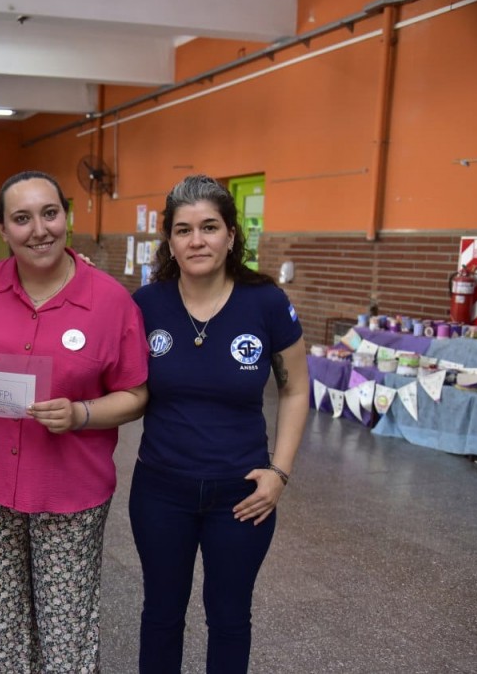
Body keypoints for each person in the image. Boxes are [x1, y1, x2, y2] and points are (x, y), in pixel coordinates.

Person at [0, 170, 149, 672]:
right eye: (22, 219)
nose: (39, 229)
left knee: (65, 626)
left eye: (49, 213)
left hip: (69, 489)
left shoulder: (110, 302)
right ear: (2, 229)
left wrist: (83, 413)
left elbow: (136, 393)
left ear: (66, 217)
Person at [129, 174, 309, 673]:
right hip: (161, 490)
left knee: (230, 617)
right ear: (169, 240)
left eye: (209, 227)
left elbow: (295, 388)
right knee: (161, 614)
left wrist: (280, 472)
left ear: (231, 235)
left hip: (242, 494)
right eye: (183, 230)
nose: (197, 240)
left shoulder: (265, 302)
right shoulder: (147, 305)